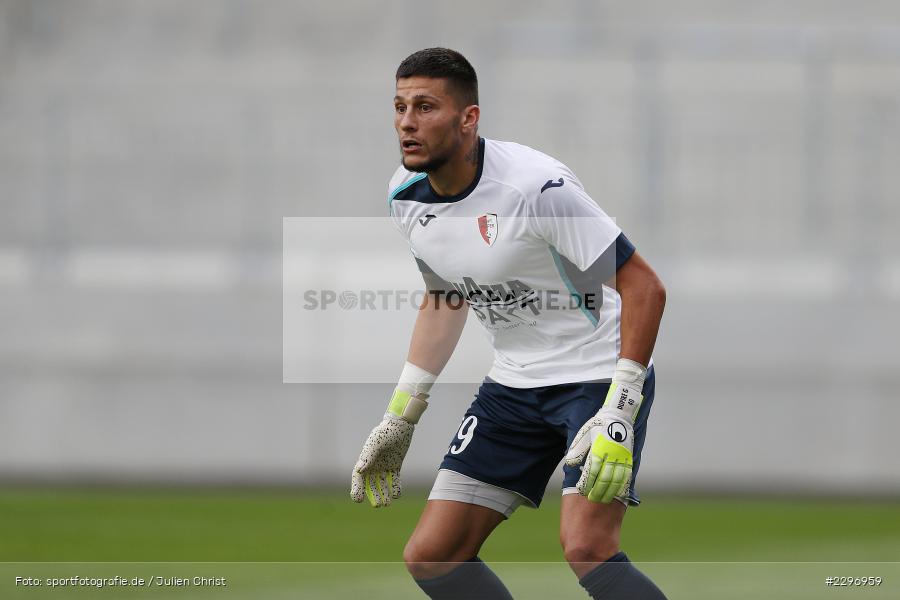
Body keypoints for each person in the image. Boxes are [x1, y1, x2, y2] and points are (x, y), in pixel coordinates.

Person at [351, 47, 668, 600]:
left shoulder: (534, 188)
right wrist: (401, 416)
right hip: (513, 387)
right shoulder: (405, 195)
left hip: (594, 378)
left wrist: (621, 405)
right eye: (400, 107)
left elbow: (643, 286)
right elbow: (445, 298)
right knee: (432, 557)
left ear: (468, 118)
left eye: (425, 106)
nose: (407, 122)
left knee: (586, 548)